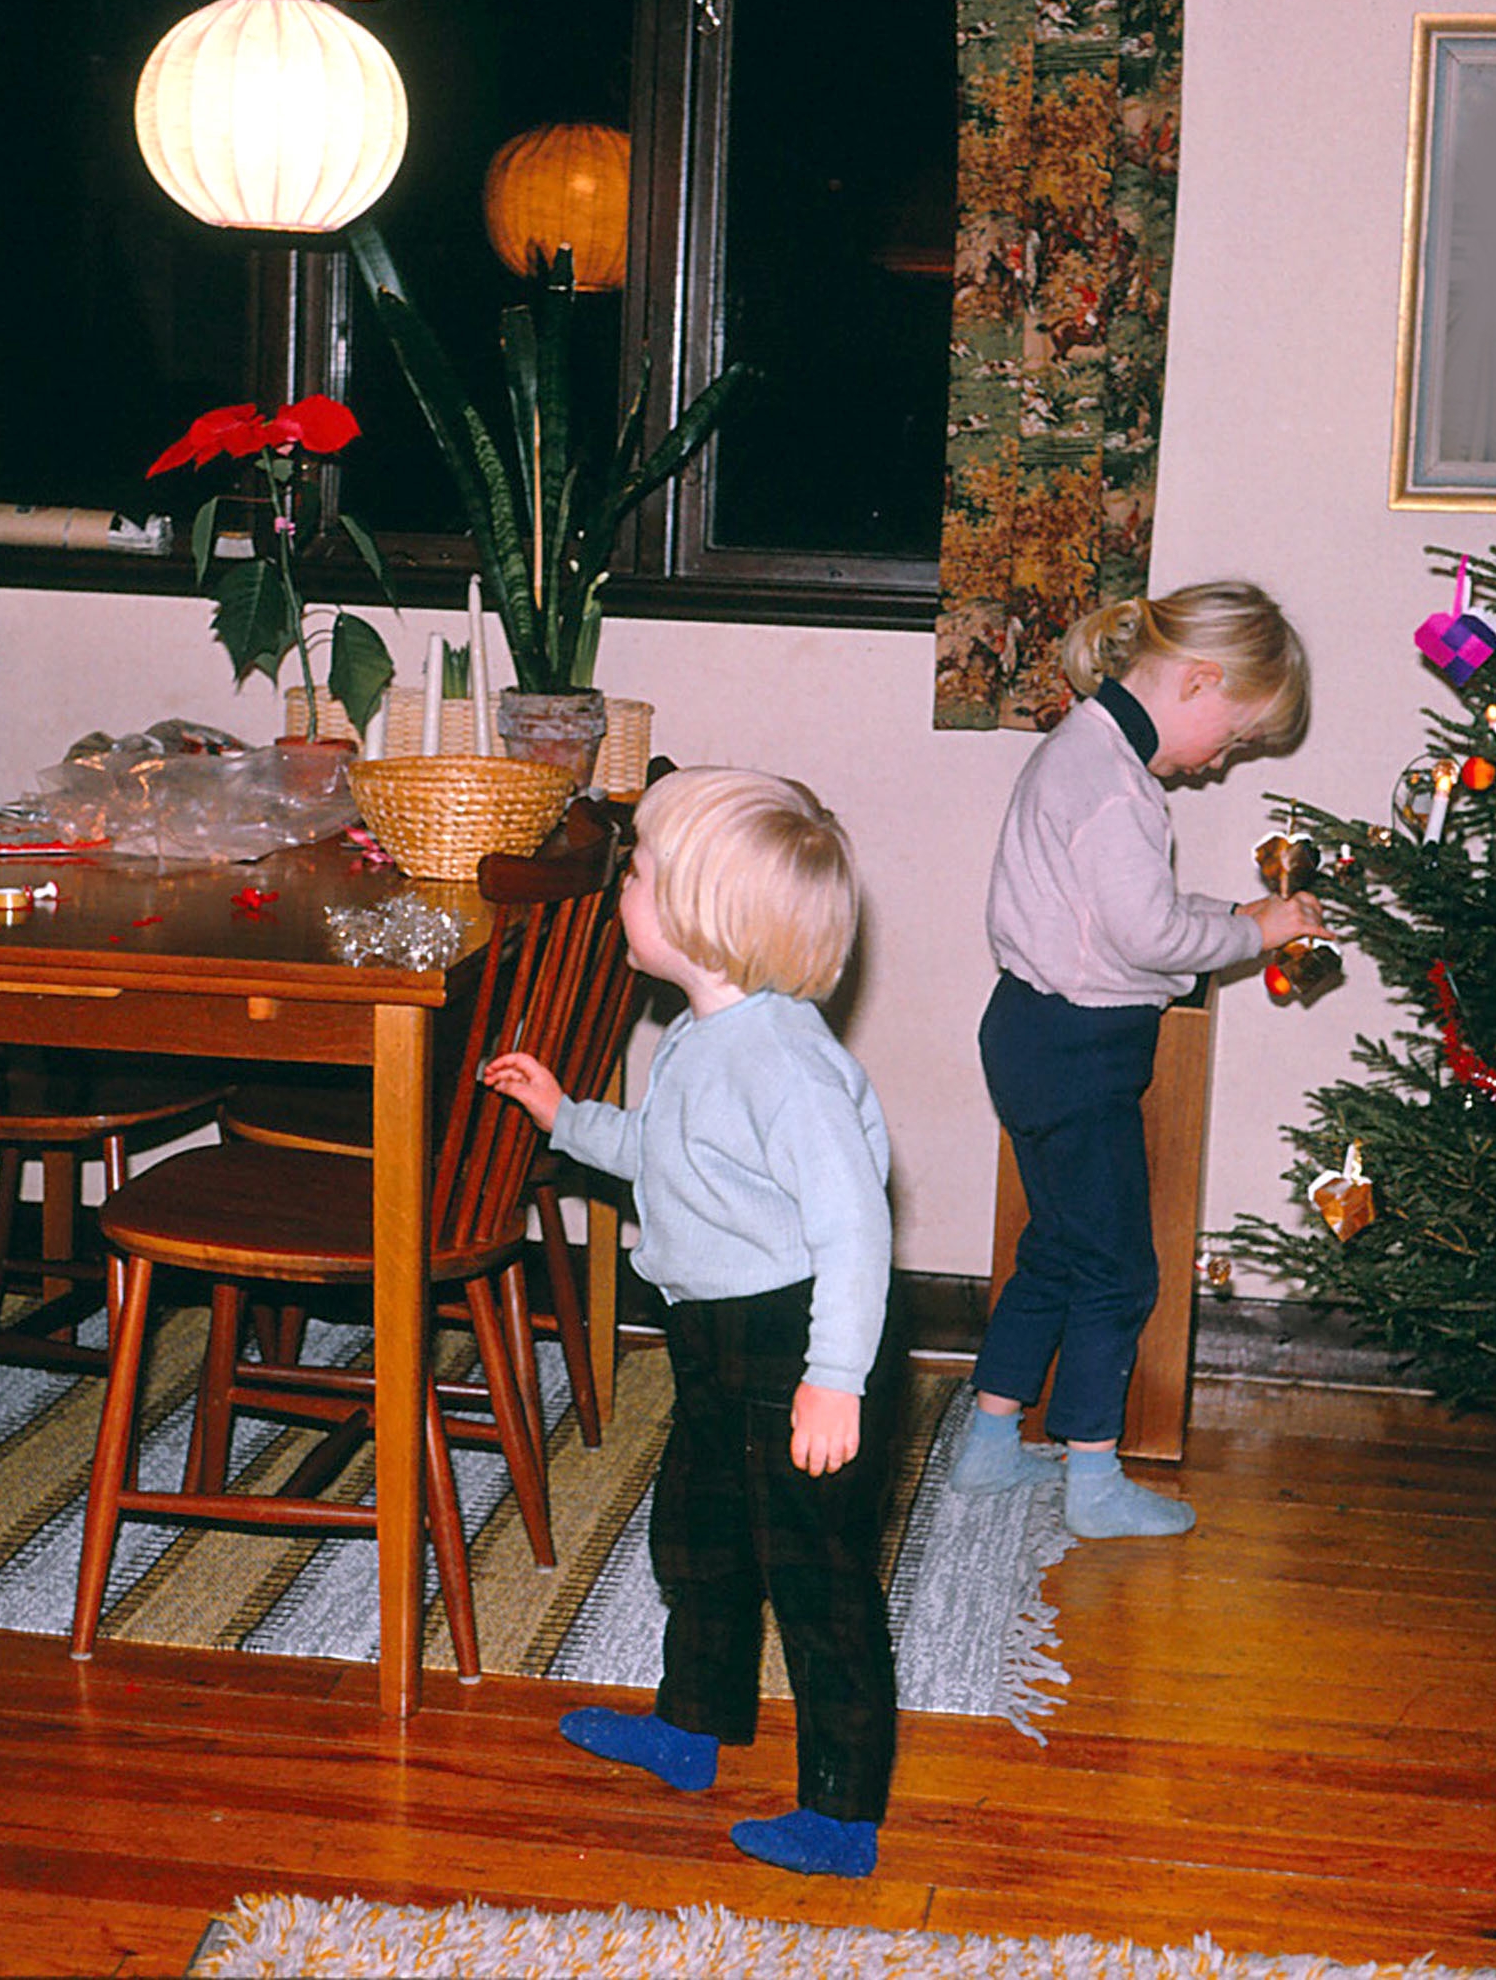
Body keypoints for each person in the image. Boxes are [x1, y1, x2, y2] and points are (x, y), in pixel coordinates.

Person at [481, 768, 898, 1880]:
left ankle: (843, 1811)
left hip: (800, 1336)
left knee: (815, 1573)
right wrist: (566, 1116)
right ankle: (692, 1725)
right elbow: (672, 1158)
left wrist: (836, 1376)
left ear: (707, 919)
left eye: (641, 874)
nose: (623, 887)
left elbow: (857, 1227)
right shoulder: (700, 1032)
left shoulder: (786, 1063)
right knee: (701, 1537)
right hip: (715, 1333)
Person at [954, 582, 1319, 1536]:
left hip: (1036, 1034)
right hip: (1077, 1052)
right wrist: (1251, 930)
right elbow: (1152, 934)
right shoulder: (1116, 789)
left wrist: (1236, 919)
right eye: (1233, 737)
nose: (1220, 761)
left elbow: (1125, 920)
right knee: (1121, 1273)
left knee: (1058, 1248)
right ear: (1200, 681)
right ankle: (1092, 1483)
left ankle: (990, 1448)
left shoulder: (1085, 749)